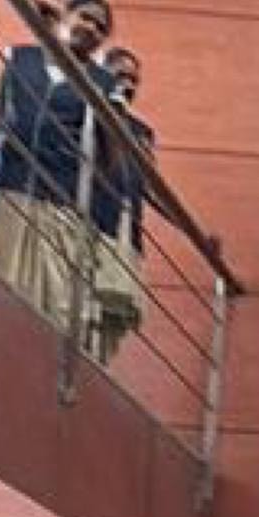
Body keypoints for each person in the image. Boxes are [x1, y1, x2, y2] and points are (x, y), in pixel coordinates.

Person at [0, 0, 113, 331]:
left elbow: (108, 153)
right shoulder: (20, 58)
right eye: (86, 17)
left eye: (101, 28)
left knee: (50, 299)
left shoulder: (102, 83)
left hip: (61, 199)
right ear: (64, 16)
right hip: (10, 183)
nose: (92, 30)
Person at [85, 43, 151, 363]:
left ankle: (100, 366)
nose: (128, 84)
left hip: (128, 228)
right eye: (120, 75)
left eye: (134, 81)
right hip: (92, 220)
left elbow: (149, 185)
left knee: (115, 308)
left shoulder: (142, 132)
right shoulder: (85, 109)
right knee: (85, 299)